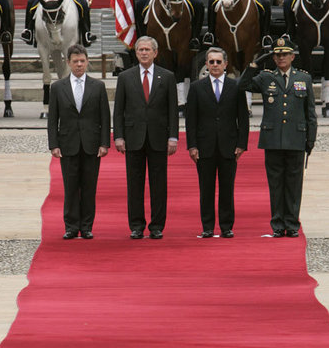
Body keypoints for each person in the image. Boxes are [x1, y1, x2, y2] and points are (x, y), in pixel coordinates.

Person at [238, 37, 317, 238]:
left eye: (284, 54)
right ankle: (277, 224)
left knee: (294, 184)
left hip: (296, 138)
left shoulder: (304, 78)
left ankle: (291, 224)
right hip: (273, 138)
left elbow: (310, 113)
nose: (281, 58)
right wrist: (255, 63)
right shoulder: (266, 77)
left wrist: (310, 139)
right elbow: (242, 85)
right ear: (273, 58)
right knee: (276, 184)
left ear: (292, 56)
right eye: (277, 55)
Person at [113, 35, 178, 239]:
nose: (143, 53)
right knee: (135, 184)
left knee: (159, 184)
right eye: (140, 49)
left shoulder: (167, 77)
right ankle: (136, 225)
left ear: (155, 53)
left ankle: (157, 225)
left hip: (159, 138)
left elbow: (172, 110)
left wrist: (173, 137)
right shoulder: (125, 77)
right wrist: (119, 136)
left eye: (147, 50)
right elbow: (118, 110)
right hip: (134, 138)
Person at [47, 43, 110, 240]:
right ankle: (71, 226)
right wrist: (54, 144)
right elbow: (52, 119)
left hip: (91, 144)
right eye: (75, 62)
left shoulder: (98, 87)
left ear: (87, 61)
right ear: (68, 63)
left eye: (82, 61)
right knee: (71, 186)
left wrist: (104, 143)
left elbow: (105, 117)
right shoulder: (58, 88)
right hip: (68, 144)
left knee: (89, 187)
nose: (79, 65)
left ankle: (87, 226)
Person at [186, 47, 249, 238]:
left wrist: (241, 144)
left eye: (218, 62)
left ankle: (226, 226)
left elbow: (243, 118)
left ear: (225, 64)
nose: (214, 65)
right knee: (206, 188)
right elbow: (191, 120)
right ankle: (207, 226)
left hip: (228, 146)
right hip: (204, 146)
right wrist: (192, 145)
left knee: (227, 188)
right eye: (211, 61)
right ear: (206, 64)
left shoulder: (235, 86)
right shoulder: (197, 87)